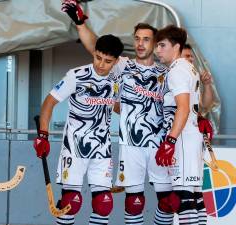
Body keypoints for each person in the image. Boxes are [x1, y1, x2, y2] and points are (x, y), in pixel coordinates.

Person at [62, 1, 174, 225]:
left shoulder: (167, 71)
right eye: (137, 39)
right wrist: (80, 23)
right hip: (131, 145)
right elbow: (96, 46)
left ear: (155, 43)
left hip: (160, 145)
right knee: (135, 202)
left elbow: (182, 102)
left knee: (168, 201)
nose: (141, 44)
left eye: (146, 39)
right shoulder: (124, 65)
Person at [33, 34, 123, 225]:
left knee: (104, 204)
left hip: (102, 150)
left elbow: (115, 106)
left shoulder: (116, 80)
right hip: (74, 148)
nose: (101, 64)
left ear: (115, 61)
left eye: (108, 61)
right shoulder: (76, 75)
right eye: (98, 57)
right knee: (71, 203)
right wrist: (43, 135)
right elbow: (49, 103)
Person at [155, 25, 204, 225]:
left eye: (162, 45)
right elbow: (192, 107)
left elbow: (182, 108)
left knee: (183, 200)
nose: (158, 50)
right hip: (191, 136)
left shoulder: (177, 70)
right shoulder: (189, 67)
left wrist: (170, 141)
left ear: (176, 46)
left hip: (182, 139)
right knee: (195, 200)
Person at [182, 43, 215, 225]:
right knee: (178, 198)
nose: (191, 60)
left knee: (195, 194)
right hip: (176, 142)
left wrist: (207, 85)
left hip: (192, 141)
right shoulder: (172, 77)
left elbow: (205, 106)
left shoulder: (194, 79)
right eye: (187, 56)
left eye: (191, 57)